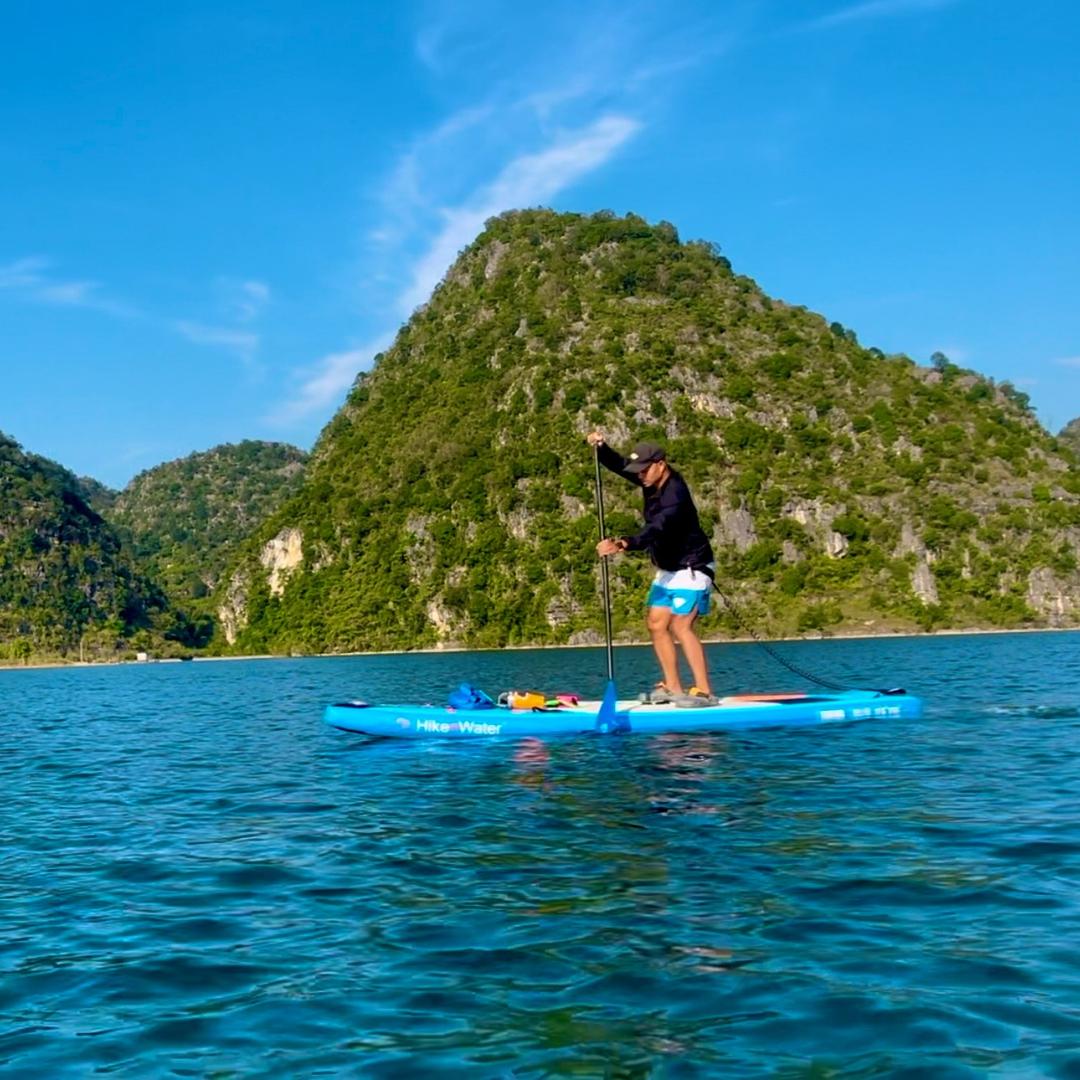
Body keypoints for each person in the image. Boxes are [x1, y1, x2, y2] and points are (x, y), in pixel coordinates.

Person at [588, 432, 716, 703]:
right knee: (656, 624)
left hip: (693, 568)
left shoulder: (675, 495)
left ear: (661, 464)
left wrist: (623, 543)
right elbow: (621, 465)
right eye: (640, 471)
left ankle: (705, 691)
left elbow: (656, 528)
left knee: (681, 625)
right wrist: (601, 448)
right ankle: (673, 687)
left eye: (645, 470)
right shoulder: (649, 477)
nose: (641, 476)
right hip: (668, 569)